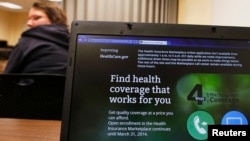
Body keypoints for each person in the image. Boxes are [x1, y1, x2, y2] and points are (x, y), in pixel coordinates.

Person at [4, 1, 69, 75]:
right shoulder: (72, 43)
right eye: (28, 19)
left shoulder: (27, 42)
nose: (29, 23)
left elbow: (7, 76)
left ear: (54, 19)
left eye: (37, 18)